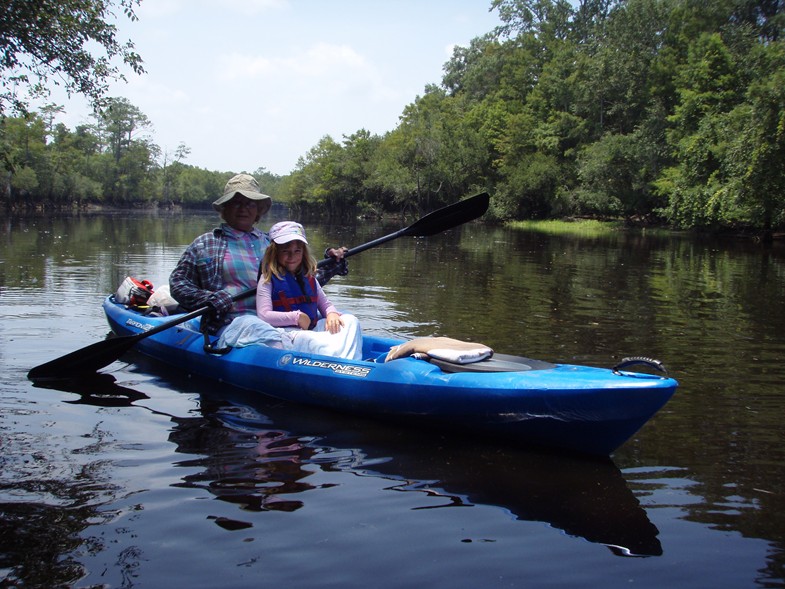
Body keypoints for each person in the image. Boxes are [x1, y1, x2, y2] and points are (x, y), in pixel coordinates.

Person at [169, 173, 348, 341]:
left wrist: (332, 262)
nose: (243, 209)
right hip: (234, 324)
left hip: (282, 321)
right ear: (225, 207)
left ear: (258, 210)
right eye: (236, 203)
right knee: (253, 325)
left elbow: (303, 282)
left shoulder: (274, 243)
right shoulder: (205, 244)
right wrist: (208, 298)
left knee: (346, 321)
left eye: (250, 204)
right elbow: (177, 283)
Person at [257, 221, 363, 360]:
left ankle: (349, 363)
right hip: (288, 333)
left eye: (297, 251)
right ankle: (340, 361)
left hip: (311, 330)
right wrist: (296, 317)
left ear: (303, 252)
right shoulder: (268, 278)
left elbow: (325, 304)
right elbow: (264, 315)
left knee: (350, 320)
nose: (292, 256)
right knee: (311, 340)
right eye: (285, 251)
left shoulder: (309, 276)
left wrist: (331, 314)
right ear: (274, 252)